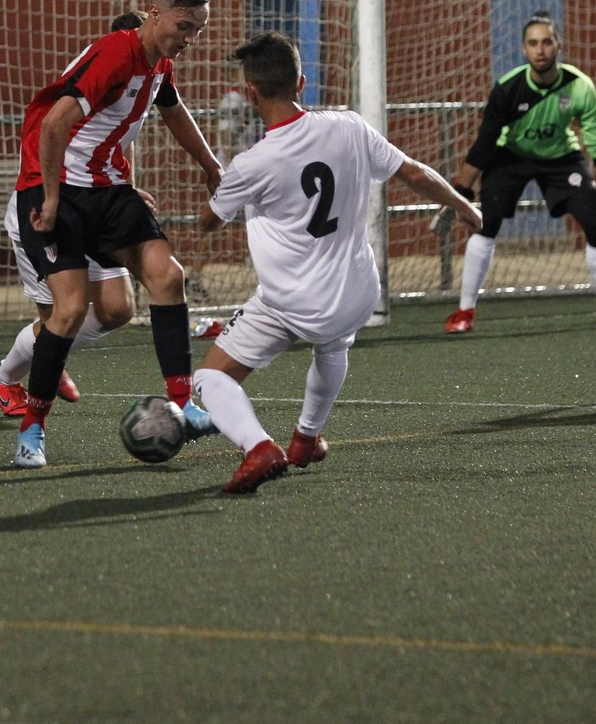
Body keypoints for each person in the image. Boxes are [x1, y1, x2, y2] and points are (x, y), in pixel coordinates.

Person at [193, 32, 481, 493]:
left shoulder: (253, 163)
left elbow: (208, 222)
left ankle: (259, 446)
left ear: (250, 93)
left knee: (208, 378)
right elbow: (413, 173)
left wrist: (224, 183)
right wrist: (465, 207)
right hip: (358, 294)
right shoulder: (348, 126)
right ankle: (307, 436)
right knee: (332, 344)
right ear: (301, 83)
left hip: (292, 303)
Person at [11, 0, 226, 468]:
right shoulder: (116, 53)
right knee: (66, 312)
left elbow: (174, 114)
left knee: (167, 277)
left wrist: (211, 166)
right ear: (155, 13)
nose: (190, 38)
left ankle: (184, 404)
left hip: (108, 190)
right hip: (57, 191)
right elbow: (53, 125)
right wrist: (52, 196)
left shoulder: (159, 63)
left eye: (199, 29)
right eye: (185, 26)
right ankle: (31, 431)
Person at [0, 11, 149, 416]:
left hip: (97, 208)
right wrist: (52, 203)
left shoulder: (136, 90)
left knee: (118, 309)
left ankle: (50, 351)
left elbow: (114, 152)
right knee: (64, 315)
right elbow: (52, 141)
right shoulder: (85, 92)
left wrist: (123, 193)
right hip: (48, 211)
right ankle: (7, 379)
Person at [442, 14, 596, 334]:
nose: (540, 50)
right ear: (523, 49)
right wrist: (460, 192)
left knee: (594, 221)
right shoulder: (508, 88)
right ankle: (464, 312)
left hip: (561, 158)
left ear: (558, 45)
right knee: (484, 224)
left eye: (547, 42)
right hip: (511, 156)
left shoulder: (579, 86)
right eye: (533, 43)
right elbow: (486, 142)